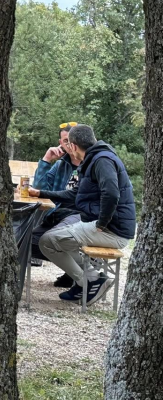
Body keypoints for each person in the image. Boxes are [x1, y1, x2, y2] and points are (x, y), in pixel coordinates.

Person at [30, 124, 136, 305]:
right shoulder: (95, 159)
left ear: (73, 145)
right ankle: (93, 279)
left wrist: (102, 223)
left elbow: (111, 193)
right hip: (107, 226)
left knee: (47, 241)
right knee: (58, 239)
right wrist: (41, 194)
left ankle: (87, 281)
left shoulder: (102, 160)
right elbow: (74, 194)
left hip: (113, 230)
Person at [30, 122, 83, 285]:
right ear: (61, 143)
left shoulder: (91, 164)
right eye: (66, 141)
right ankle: (74, 270)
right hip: (58, 215)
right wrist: (46, 160)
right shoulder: (61, 165)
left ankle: (82, 273)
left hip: (81, 217)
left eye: (73, 140)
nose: (70, 145)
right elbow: (39, 187)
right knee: (28, 240)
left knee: (49, 239)